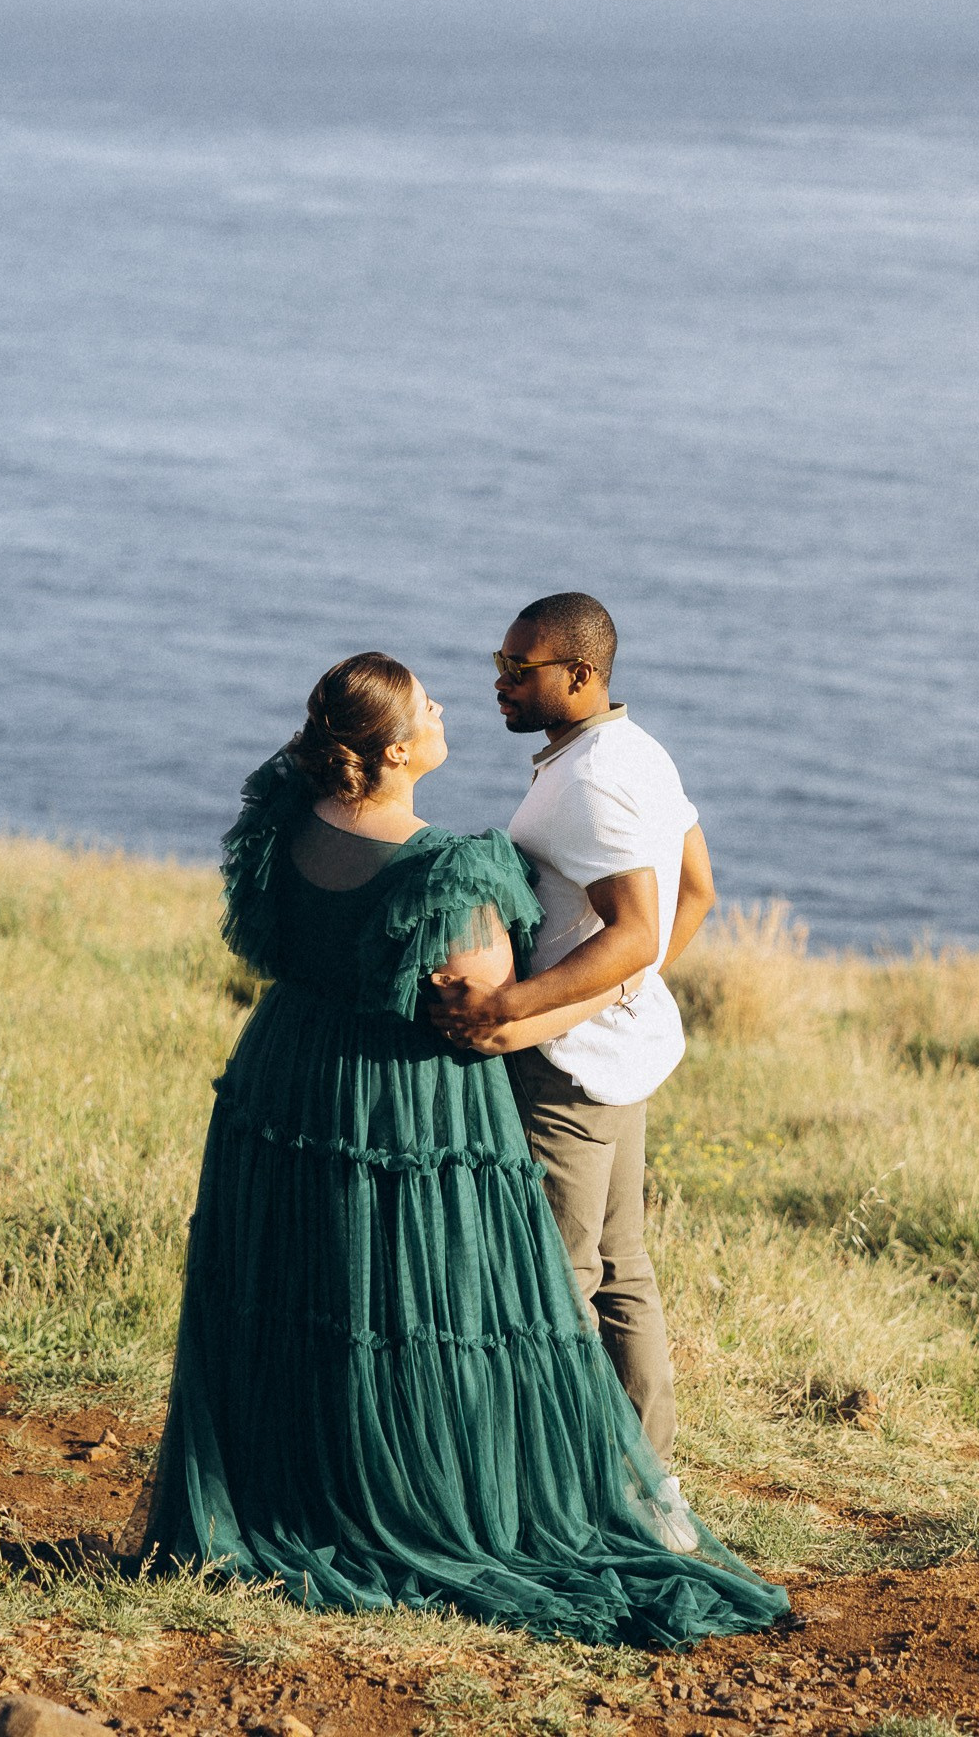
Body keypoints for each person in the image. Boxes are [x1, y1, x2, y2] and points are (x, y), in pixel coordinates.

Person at [136, 651, 786, 1647]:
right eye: (430, 705)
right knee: (431, 1308)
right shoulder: (449, 867)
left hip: (285, 1071)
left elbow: (268, 937)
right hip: (402, 1103)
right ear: (397, 749)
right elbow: (474, 1009)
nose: (451, 709)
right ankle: (473, 1492)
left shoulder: (286, 817)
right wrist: (601, 988)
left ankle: (293, 1490)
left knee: (296, 1296)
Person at [428, 593, 710, 1545]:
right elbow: (694, 893)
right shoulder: (637, 752)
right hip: (615, 1051)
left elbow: (635, 929)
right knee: (622, 1277)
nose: (499, 684)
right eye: (498, 663)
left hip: (567, 1072)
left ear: (580, 676)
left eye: (520, 669)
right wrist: (620, 996)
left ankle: (575, 1500)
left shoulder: (590, 781)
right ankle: (647, 1487)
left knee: (557, 1287)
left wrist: (507, 1009)